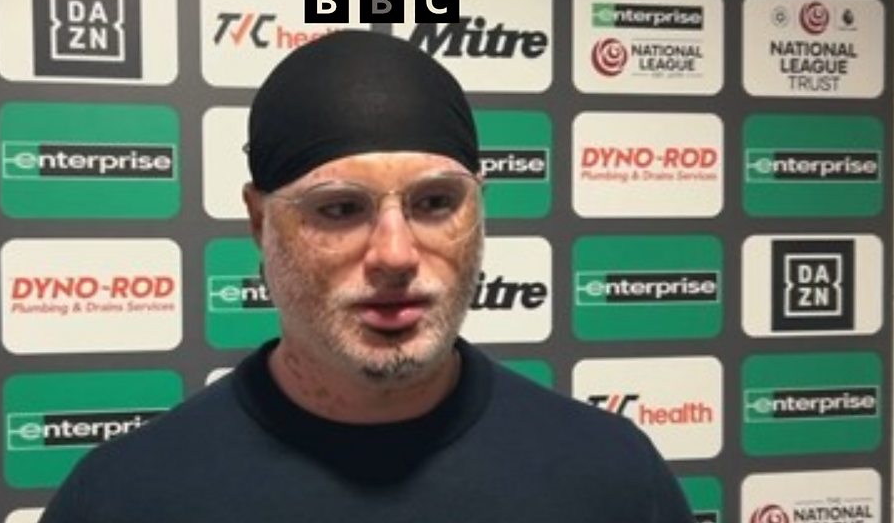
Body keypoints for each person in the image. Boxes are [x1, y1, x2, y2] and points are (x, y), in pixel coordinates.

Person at [39, 30, 693, 522]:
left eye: (435, 202)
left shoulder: (613, 479)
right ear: (260, 222)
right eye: (340, 209)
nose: (395, 254)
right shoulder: (124, 498)